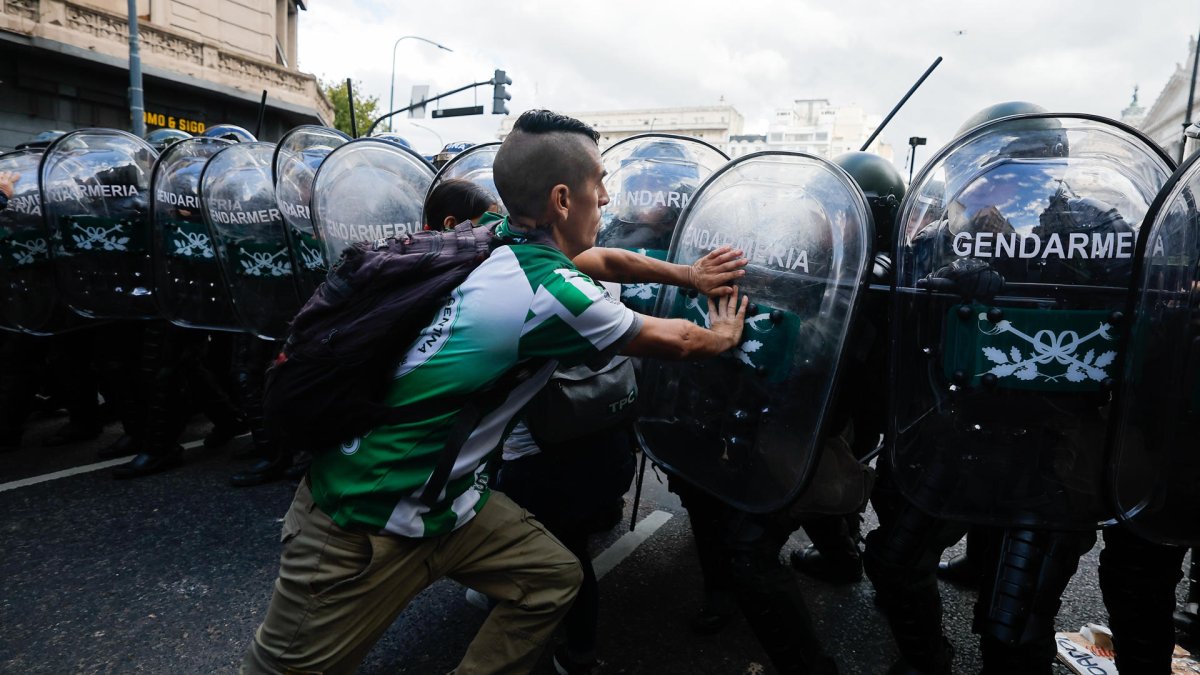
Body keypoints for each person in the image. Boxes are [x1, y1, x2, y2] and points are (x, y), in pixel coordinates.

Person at [241, 109, 750, 675]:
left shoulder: (502, 239)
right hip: (364, 517)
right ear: (562, 199)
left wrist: (689, 276)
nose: (606, 197)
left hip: (449, 506)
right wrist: (721, 335)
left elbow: (604, 260)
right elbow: (676, 341)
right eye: (598, 183)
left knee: (553, 578)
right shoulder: (548, 290)